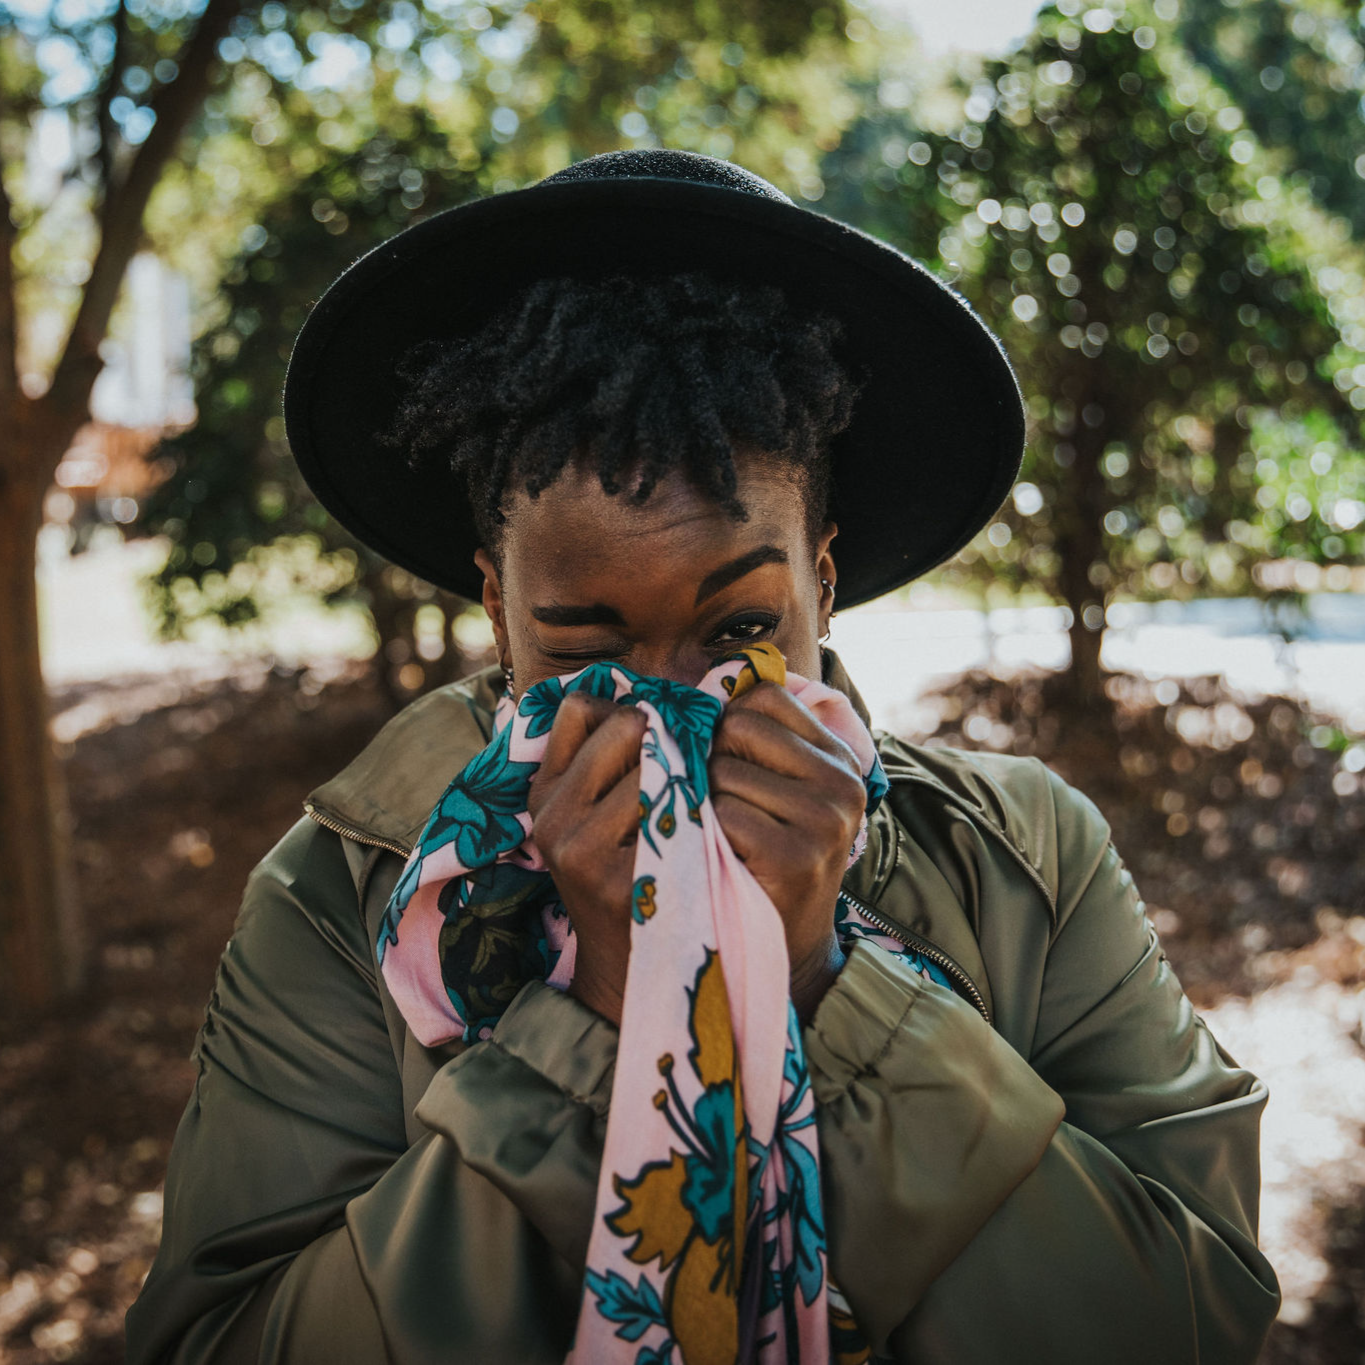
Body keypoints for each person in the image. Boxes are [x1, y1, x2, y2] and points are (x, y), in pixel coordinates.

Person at [126, 150, 1279, 1364]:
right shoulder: (339, 895)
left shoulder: (1026, 857)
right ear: (500, 615)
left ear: (820, 589)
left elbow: (1191, 1318)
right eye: (586, 652)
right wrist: (605, 1014)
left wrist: (821, 979)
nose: (672, 707)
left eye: (739, 631)